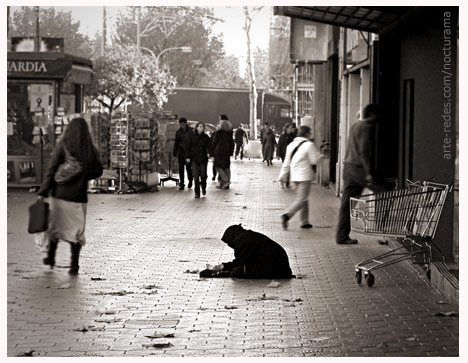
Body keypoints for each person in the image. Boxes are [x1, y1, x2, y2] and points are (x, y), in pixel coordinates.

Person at [37, 117, 103, 275]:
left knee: (55, 228)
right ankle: (74, 265)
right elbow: (98, 170)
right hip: (78, 197)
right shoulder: (89, 149)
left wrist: (43, 192)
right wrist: (83, 174)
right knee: (76, 231)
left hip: (59, 194)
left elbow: (52, 169)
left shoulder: (63, 145)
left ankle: (51, 258)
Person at [336, 103, 383, 245]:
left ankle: (341, 235)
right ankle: (390, 225)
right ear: (373, 115)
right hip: (358, 170)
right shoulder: (365, 128)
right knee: (384, 192)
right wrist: (368, 172)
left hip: (348, 168)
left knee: (346, 204)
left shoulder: (355, 125)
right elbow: (363, 151)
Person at [200, 224, 294, 279]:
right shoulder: (245, 236)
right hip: (278, 265)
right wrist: (225, 266)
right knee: (239, 270)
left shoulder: (241, 240)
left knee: (238, 272)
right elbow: (244, 259)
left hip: (276, 268)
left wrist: (223, 268)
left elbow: (241, 262)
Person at [280, 125, 322, 230]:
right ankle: (287, 215)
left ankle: (304, 221)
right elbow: (314, 161)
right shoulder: (309, 145)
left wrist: (282, 175)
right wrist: (321, 156)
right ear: (307, 134)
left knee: (304, 198)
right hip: (304, 176)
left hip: (294, 177)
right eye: (310, 133)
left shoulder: (291, 145)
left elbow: (286, 162)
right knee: (301, 199)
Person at [186, 122, 211, 198]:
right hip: (194, 158)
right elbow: (188, 147)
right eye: (200, 127)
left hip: (203, 159)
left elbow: (209, 146)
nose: (202, 128)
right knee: (195, 176)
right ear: (196, 128)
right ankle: (197, 192)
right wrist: (187, 157)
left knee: (203, 175)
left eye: (203, 127)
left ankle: (203, 187)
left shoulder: (206, 137)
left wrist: (209, 153)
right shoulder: (192, 136)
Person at [211, 115, 234, 189]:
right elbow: (231, 142)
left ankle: (226, 180)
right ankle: (225, 184)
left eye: (220, 120)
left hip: (219, 151)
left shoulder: (219, 131)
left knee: (217, 166)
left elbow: (215, 141)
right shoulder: (230, 131)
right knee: (226, 167)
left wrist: (212, 151)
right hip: (227, 151)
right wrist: (231, 151)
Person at [173, 117, 193, 190]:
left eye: (182, 124)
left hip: (188, 152)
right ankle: (182, 183)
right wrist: (174, 154)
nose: (181, 126)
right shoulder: (178, 132)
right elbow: (176, 143)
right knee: (181, 168)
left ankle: (190, 180)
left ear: (185, 123)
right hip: (181, 152)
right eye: (180, 124)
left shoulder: (191, 131)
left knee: (188, 168)